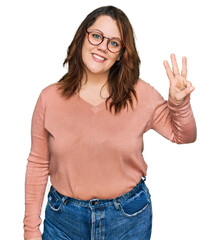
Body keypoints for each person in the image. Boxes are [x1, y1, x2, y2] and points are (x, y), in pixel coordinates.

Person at [23, 5, 197, 240]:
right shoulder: (49, 98)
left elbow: (183, 136)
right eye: (96, 36)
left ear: (121, 54)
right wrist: (31, 230)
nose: (102, 47)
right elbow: (38, 163)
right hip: (63, 221)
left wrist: (179, 103)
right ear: (82, 37)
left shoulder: (140, 94)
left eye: (114, 43)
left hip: (128, 220)